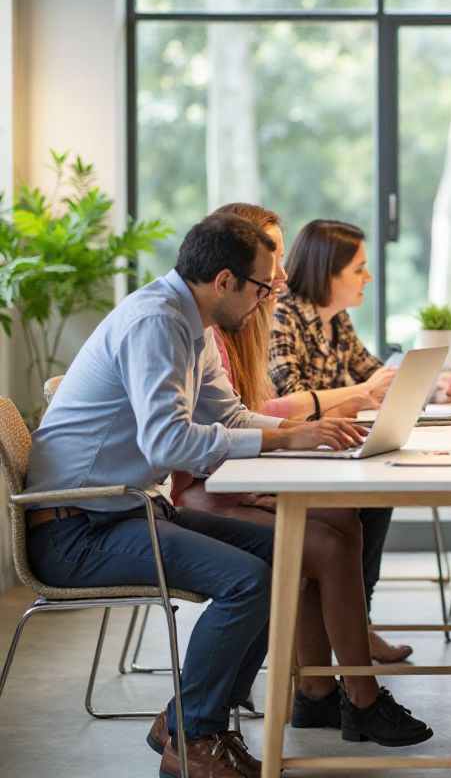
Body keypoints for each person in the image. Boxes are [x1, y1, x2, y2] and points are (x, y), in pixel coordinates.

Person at [22, 213, 368, 778]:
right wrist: (284, 436)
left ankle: (192, 722)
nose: (266, 298)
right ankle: (194, 733)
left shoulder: (194, 322)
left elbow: (227, 416)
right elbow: (170, 441)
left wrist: (300, 434)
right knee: (248, 581)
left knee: (281, 557)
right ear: (225, 281)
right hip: (76, 529)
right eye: (261, 286)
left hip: (122, 510)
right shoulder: (155, 323)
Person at [172, 204, 430, 724]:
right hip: (207, 487)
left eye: (281, 262)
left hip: (236, 475)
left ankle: (315, 693)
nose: (280, 278)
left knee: (343, 520)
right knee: (325, 545)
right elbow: (206, 435)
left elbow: (240, 415)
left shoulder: (225, 323)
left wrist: (290, 437)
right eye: (270, 268)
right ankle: (361, 696)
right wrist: (295, 434)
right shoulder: (210, 329)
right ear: (229, 278)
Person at [268, 219, 451, 650]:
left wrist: (435, 385)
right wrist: (358, 397)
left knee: (378, 493)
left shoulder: (337, 321)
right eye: (359, 269)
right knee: (368, 499)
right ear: (326, 271)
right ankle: (355, 627)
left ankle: (359, 622)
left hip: (329, 450)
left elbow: (374, 377)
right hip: (293, 457)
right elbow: (292, 399)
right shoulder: (283, 316)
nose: (367, 278)